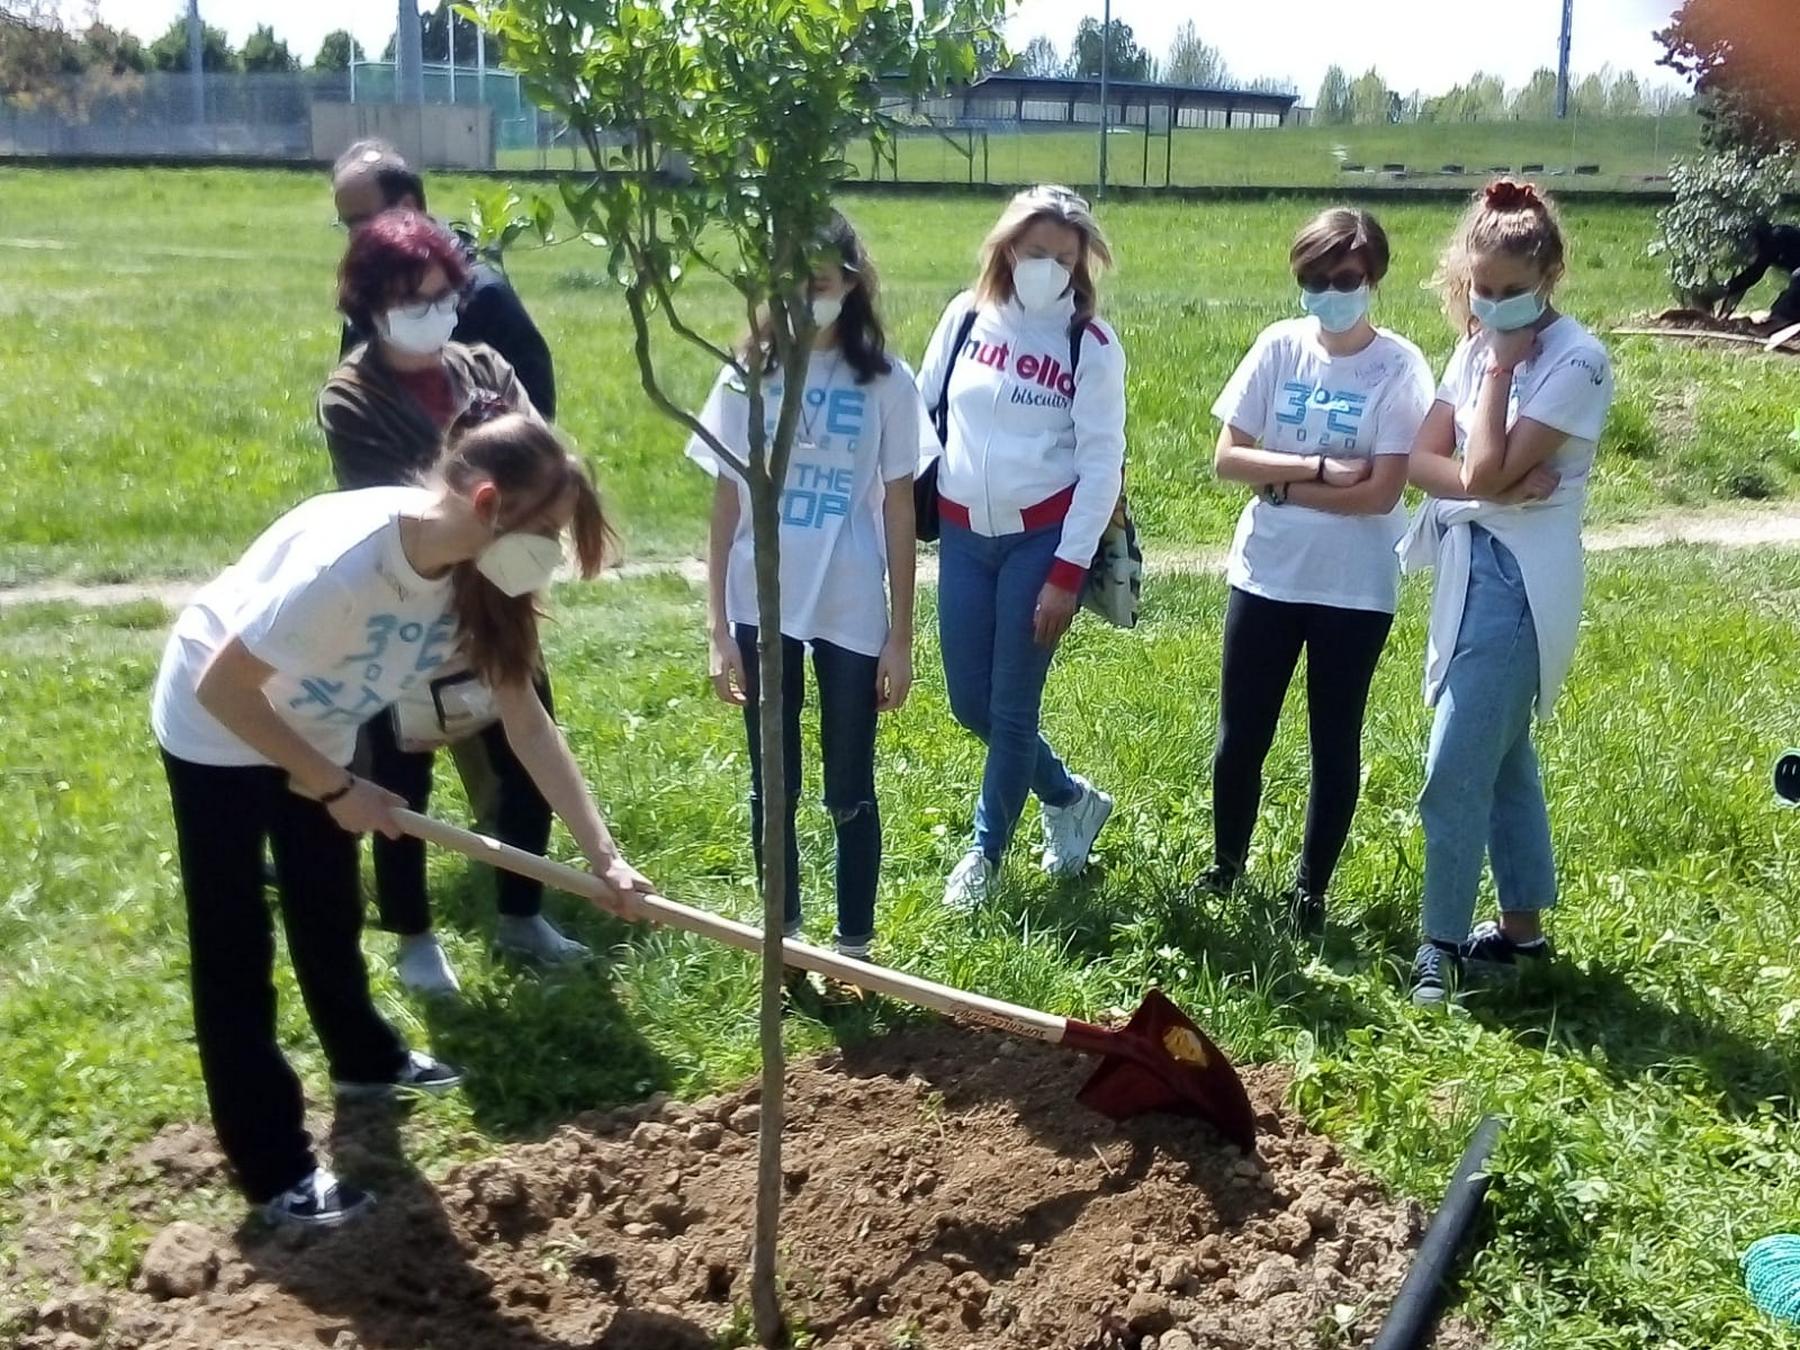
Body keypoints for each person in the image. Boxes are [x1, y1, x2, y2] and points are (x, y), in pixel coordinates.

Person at [151, 410, 649, 1226]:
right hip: (220, 728)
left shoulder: (479, 574)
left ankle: (364, 1060)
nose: (551, 553)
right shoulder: (349, 568)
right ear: (487, 501)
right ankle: (274, 1167)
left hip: (318, 723)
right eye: (549, 531)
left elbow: (524, 719)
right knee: (235, 945)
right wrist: (339, 787)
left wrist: (604, 855)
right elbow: (224, 686)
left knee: (328, 903)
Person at [320, 210, 579, 995]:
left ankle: (521, 915)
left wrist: (501, 498)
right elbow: (404, 502)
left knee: (524, 752)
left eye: (442, 294)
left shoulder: (486, 367)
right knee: (399, 775)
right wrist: (492, 487)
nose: (433, 310)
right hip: (403, 606)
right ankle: (411, 936)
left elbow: (539, 466)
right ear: (368, 304)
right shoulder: (349, 397)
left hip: (499, 598)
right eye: (411, 297)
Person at [1401, 179, 1615, 1006]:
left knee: (1455, 762)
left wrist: (1493, 381)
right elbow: (1416, 462)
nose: (1490, 306)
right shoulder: (1475, 340)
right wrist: (1476, 485)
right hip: (1472, 561)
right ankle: (1521, 932)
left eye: (1509, 292)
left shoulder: (1578, 361)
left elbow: (1479, 466)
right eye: (1479, 291)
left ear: (1550, 274)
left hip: (1524, 581)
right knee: (1503, 755)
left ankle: (1440, 945)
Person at [688, 213, 919, 959]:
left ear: (852, 284)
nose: (805, 296)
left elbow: (901, 506)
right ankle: (781, 942)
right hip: (764, 603)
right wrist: (718, 626)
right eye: (791, 282)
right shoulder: (748, 374)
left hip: (850, 600)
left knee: (850, 786)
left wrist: (901, 636)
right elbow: (727, 500)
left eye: (819, 282)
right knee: (772, 783)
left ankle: (855, 948)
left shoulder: (885, 379)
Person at [1202, 208, 1434, 933]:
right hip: (1265, 575)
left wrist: (1279, 488)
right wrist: (1316, 468)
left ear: (1374, 279)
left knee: (1335, 739)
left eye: (1344, 279)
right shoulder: (1279, 347)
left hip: (1355, 588)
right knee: (1241, 736)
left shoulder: (1399, 365)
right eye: (1313, 280)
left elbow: (1382, 492)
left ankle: (1311, 892)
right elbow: (1226, 458)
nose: (1328, 293)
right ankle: (1226, 866)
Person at [914, 185, 1127, 910]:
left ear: (1082, 264)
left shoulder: (1088, 343)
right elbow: (923, 409)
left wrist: (1067, 572)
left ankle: (984, 854)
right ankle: (1069, 797)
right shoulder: (966, 316)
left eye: (1064, 258)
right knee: (969, 703)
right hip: (963, 534)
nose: (1049, 267)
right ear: (1008, 247)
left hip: (1042, 539)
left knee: (1011, 710)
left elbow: (1103, 464)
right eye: (1036, 252)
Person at [330, 139, 557, 417]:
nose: (353, 238)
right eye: (346, 224)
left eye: (360, 221)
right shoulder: (364, 294)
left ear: (408, 207)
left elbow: (537, 418)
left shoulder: (487, 297)